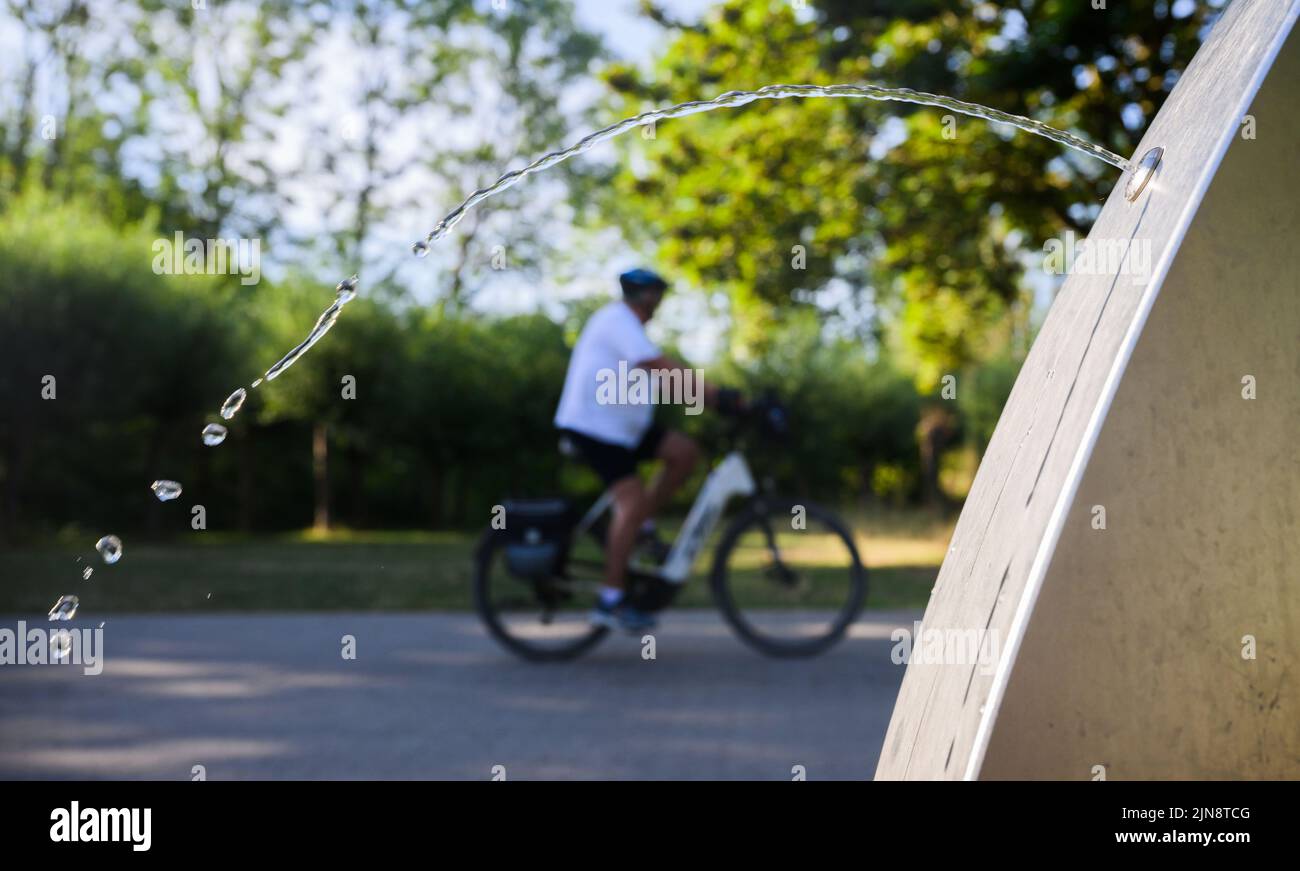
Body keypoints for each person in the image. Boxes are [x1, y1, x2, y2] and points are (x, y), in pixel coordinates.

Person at [554, 268, 727, 631]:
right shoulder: (617, 320)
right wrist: (715, 397)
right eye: (656, 296)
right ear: (646, 297)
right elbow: (660, 368)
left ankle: (640, 530)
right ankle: (610, 600)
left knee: (684, 453)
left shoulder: (628, 327)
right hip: (595, 429)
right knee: (630, 503)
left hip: (625, 430)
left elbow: (655, 378)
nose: (658, 304)